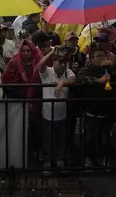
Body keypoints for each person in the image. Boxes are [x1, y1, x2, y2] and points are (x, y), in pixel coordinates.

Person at [75, 43, 116, 170]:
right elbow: (80, 79)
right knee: (89, 137)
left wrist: (113, 69)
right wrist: (97, 80)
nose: (102, 58)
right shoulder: (86, 69)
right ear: (92, 58)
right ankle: (88, 158)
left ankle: (103, 157)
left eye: (104, 55)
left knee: (105, 137)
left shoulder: (110, 69)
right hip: (91, 110)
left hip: (106, 110)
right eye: (99, 56)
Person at [38, 46, 76, 175]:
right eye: (60, 62)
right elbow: (40, 65)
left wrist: (62, 83)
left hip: (62, 115)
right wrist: (50, 53)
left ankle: (59, 160)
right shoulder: (47, 72)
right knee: (47, 139)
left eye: (65, 62)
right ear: (54, 62)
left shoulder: (67, 72)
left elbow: (73, 79)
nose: (63, 65)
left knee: (60, 139)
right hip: (48, 115)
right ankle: (47, 161)